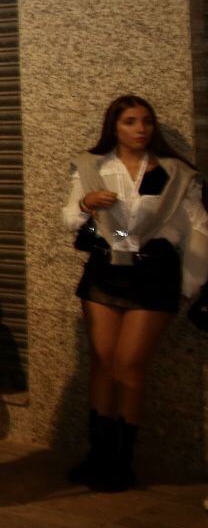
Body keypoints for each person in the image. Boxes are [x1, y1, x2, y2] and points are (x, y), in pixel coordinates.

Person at [61, 95, 207, 491]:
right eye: (130, 121)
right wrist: (87, 203)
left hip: (153, 273)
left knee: (129, 365)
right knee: (103, 361)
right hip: (106, 269)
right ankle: (99, 454)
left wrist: (189, 286)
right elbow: (69, 218)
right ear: (115, 126)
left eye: (146, 121)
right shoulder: (95, 166)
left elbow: (197, 230)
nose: (140, 129)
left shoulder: (173, 172)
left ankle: (122, 460)